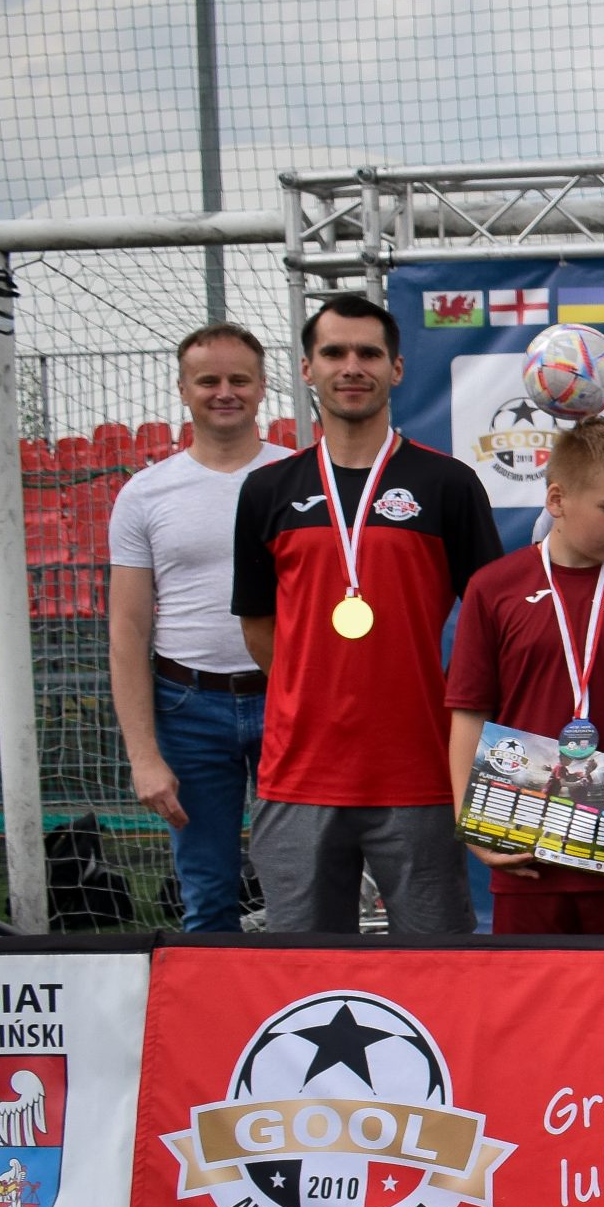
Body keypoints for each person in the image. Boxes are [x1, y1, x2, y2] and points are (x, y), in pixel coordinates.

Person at [233, 293, 501, 933]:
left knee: (434, 965)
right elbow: (259, 626)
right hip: (300, 772)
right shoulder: (268, 489)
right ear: (307, 369)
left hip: (419, 768)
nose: (352, 367)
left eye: (369, 354)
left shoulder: (448, 484)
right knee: (306, 969)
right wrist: (317, 687)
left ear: (396, 368)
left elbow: (490, 621)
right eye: (334, 353)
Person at [446, 420, 604, 934]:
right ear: (557, 500)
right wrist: (470, 818)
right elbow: (469, 709)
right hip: (524, 846)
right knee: (532, 987)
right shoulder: (493, 586)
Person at [108, 323, 291, 931]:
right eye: (208, 380)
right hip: (187, 708)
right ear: (183, 389)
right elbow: (128, 630)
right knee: (208, 895)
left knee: (300, 884)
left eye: (239, 379)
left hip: (287, 698)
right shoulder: (145, 494)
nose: (225, 392)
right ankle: (213, 997)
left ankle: (301, 991)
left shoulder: (301, 479)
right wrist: (143, 757)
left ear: (263, 386)